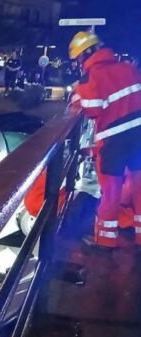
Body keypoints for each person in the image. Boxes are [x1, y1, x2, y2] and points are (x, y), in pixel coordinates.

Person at [69, 31, 141, 251]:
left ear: (84, 56)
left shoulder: (91, 77)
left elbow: (92, 110)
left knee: (110, 193)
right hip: (138, 137)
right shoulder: (127, 67)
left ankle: (105, 242)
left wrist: (77, 93)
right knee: (139, 189)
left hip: (113, 144)